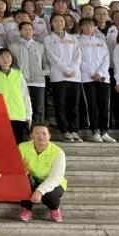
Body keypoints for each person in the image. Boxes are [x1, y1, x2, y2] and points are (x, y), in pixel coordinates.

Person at [44, 13, 83, 142]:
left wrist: (72, 69)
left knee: (74, 105)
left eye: (61, 21)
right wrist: (66, 69)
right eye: (56, 21)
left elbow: (78, 55)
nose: (59, 23)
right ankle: (64, 130)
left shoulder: (73, 38)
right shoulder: (48, 39)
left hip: (74, 76)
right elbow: (52, 57)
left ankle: (74, 130)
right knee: (60, 104)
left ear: (65, 23)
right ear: (51, 23)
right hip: (58, 76)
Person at [18, 123, 67, 223]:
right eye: (37, 133)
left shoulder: (58, 152)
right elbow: (16, 165)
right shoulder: (22, 147)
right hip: (32, 179)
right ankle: (27, 209)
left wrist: (40, 191)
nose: (41, 136)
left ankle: (54, 209)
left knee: (50, 195)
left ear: (49, 136)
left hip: (54, 183)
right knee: (23, 182)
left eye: (44, 133)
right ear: (31, 136)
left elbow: (56, 177)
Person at [78, 18, 113, 143]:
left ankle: (104, 131)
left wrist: (100, 73)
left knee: (104, 105)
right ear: (80, 27)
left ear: (94, 27)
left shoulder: (100, 42)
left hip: (103, 78)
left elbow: (106, 59)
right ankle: (95, 131)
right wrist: (92, 73)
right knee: (91, 105)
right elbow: (78, 59)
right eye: (85, 25)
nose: (88, 27)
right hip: (87, 78)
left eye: (91, 25)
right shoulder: (77, 41)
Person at [8, 21, 49, 124]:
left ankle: (38, 129)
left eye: (30, 29)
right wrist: (19, 75)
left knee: (39, 108)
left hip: (38, 82)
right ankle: (26, 130)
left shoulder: (40, 46)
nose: (28, 31)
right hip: (22, 81)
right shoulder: (13, 47)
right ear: (20, 31)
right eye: (25, 29)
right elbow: (12, 65)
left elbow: (46, 63)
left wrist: (43, 73)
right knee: (24, 107)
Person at [0, 48, 32, 143]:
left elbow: (26, 96)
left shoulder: (18, 74)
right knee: (3, 145)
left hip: (19, 116)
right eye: (2, 57)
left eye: (8, 56)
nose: (5, 59)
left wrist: (29, 116)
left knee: (19, 146)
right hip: (0, 117)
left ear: (12, 58)